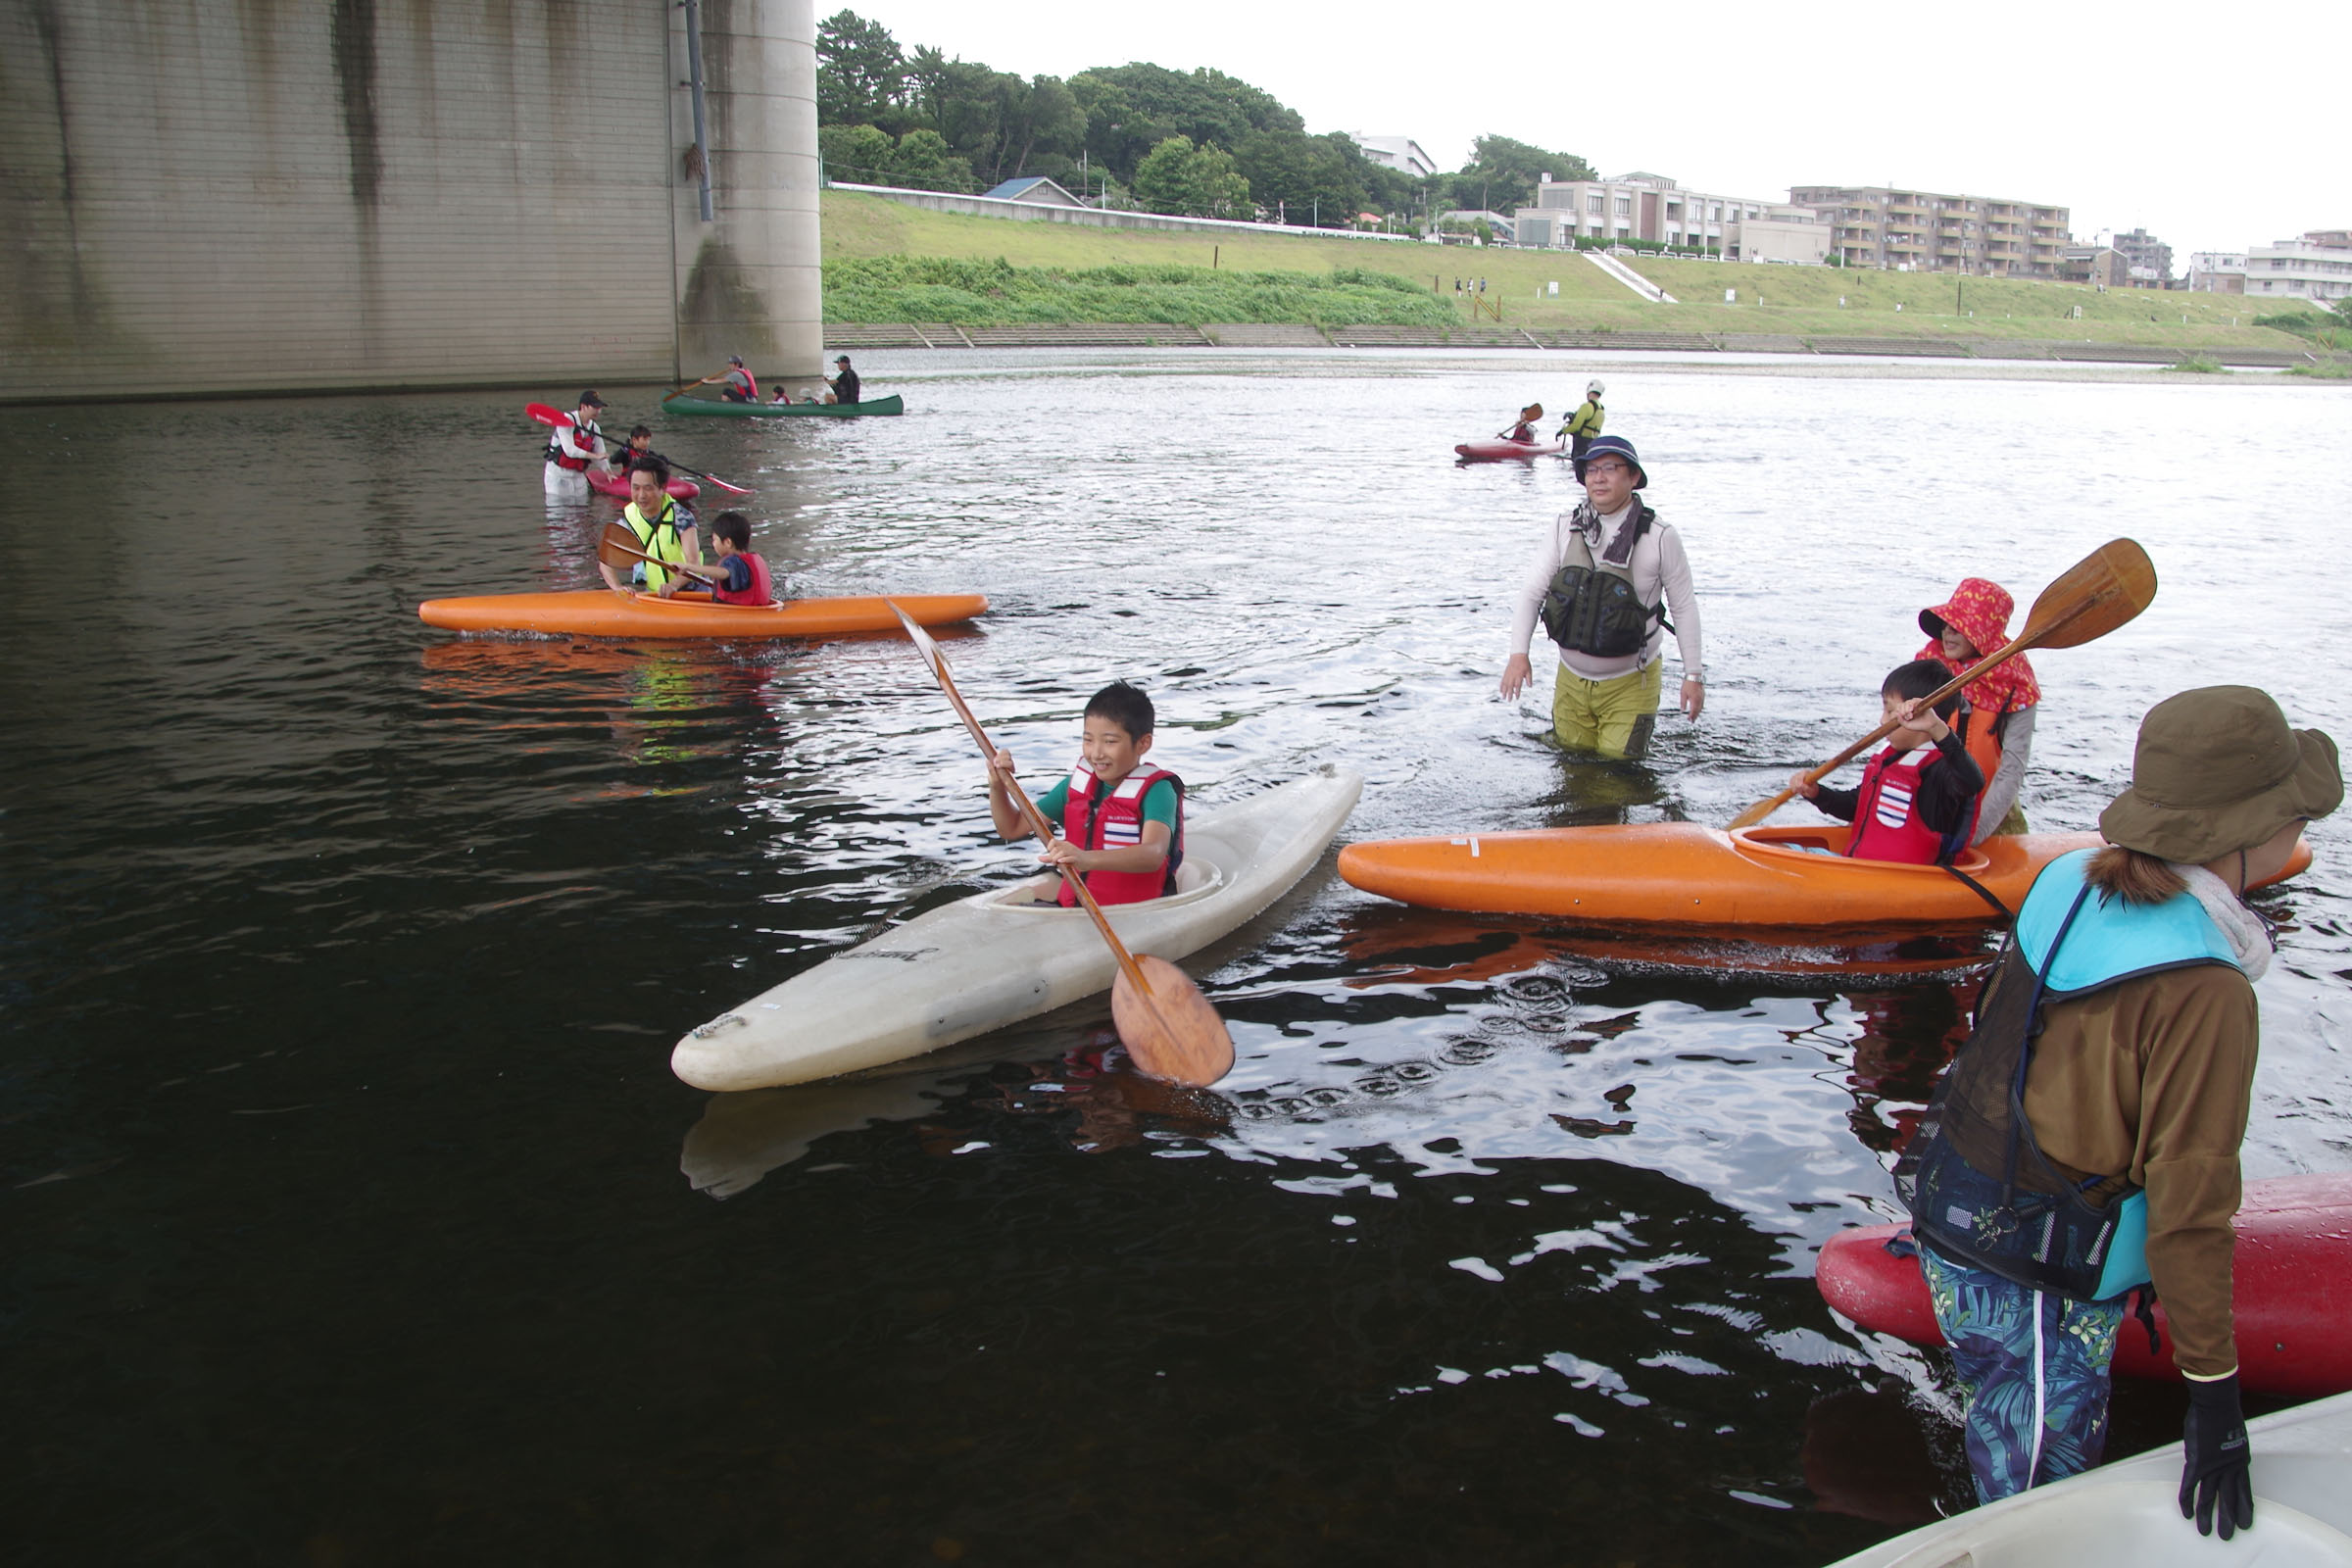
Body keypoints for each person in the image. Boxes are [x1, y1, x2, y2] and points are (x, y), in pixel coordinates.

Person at [1895, 686, 2340, 1537]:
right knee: (2037, 1505)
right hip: (2039, 1274)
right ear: (2252, 833)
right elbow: (2191, 1203)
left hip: (1952, 1211)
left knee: (1994, 1416)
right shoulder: (2206, 992)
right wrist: (2214, 1394)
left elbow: (1999, 1040)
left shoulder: (2065, 877)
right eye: (2296, 812)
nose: (2303, 830)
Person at [1500, 434, 1704, 760]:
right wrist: (1517, 655)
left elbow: (1684, 607)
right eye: (1591, 469)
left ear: (1633, 477)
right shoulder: (1563, 527)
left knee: (1616, 775)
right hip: (1571, 680)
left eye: (1609, 468)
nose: (1598, 477)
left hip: (1630, 683)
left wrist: (1693, 675)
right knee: (1571, 768)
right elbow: (1531, 593)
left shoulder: (1660, 537)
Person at [986, 681, 1183, 907]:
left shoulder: (1158, 791)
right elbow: (1011, 828)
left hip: (1135, 911)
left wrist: (1085, 858)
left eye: (1110, 742)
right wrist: (997, 787)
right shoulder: (1074, 787)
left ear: (1143, 743)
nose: (1096, 753)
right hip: (1076, 909)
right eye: (1088, 740)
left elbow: (1153, 854)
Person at [1788, 660, 1986, 863]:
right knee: (1780, 848)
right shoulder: (1891, 757)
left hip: (1898, 881)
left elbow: (1973, 782)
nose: (1882, 721)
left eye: (1891, 712)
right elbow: (1855, 807)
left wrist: (1937, 728)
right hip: (1859, 869)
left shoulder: (1938, 772)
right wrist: (1817, 793)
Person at [1915, 578, 2039, 844]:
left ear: (1983, 631)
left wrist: (1974, 834)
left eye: (1959, 627)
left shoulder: (2017, 685)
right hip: (1928, 803)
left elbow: (2013, 768)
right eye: (1946, 624)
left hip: (1989, 812)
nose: (1948, 633)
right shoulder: (1929, 666)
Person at [597, 459, 701, 597]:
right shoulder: (628, 520)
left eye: (648, 488)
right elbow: (605, 561)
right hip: (654, 594)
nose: (641, 495)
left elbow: (693, 562)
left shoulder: (681, 516)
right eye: (636, 488)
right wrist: (617, 587)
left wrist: (673, 586)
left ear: (662, 488)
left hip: (690, 592)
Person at [703, 512, 778, 606]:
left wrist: (689, 567)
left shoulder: (734, 562)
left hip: (736, 613)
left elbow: (723, 572)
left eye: (714, 540)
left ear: (728, 542)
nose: (713, 544)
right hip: (756, 609)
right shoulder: (748, 560)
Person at [543, 391, 608, 497]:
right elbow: (570, 451)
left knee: (581, 511)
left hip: (578, 477)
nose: (598, 411)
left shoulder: (594, 428)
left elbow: (601, 453)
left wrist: (607, 471)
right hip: (558, 477)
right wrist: (595, 456)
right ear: (583, 406)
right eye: (595, 407)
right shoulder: (565, 421)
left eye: (599, 408)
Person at [1562, 379, 1606, 459]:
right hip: (1593, 445)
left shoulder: (1586, 406)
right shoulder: (1601, 409)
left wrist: (1562, 431)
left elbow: (1575, 427)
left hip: (1581, 446)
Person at [689, 355, 758, 403]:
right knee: (730, 394)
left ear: (736, 364)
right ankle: (731, 406)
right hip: (751, 399)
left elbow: (722, 380)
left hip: (748, 400)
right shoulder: (745, 371)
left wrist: (707, 382)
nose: (729, 365)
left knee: (726, 391)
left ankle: (724, 406)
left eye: (731, 364)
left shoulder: (736, 374)